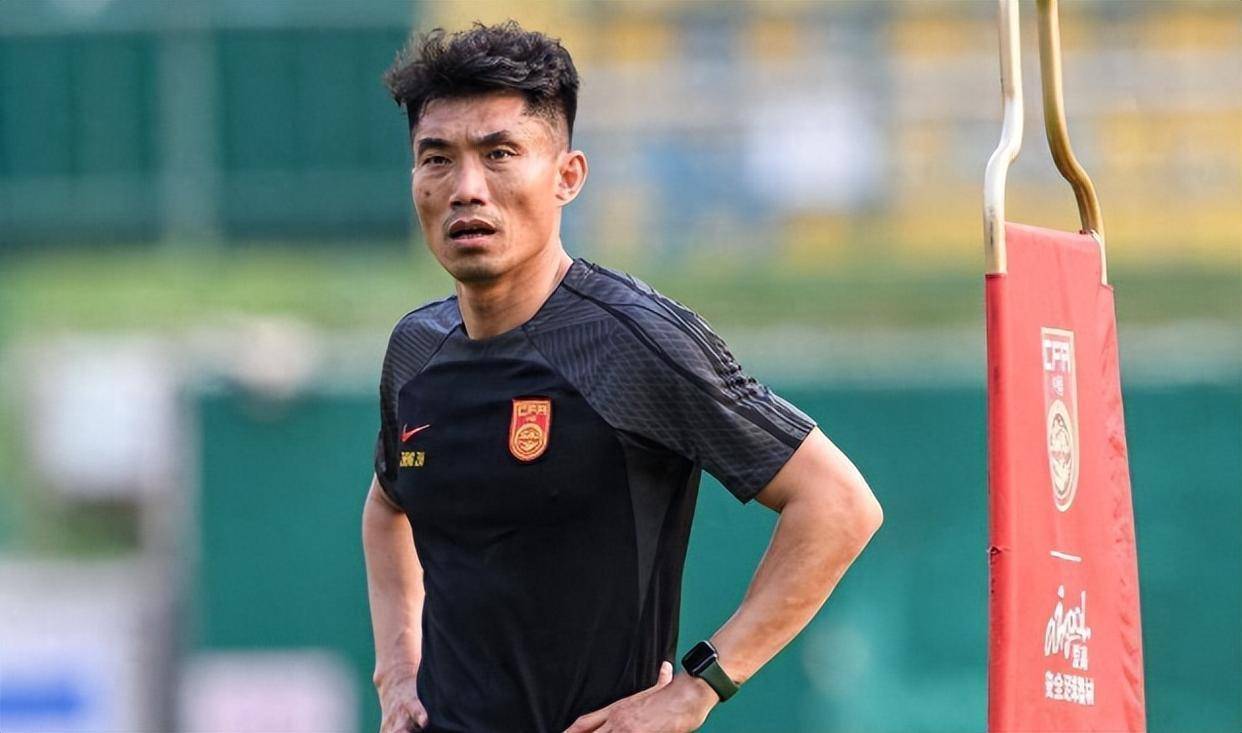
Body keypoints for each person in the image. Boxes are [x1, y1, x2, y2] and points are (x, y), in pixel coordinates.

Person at [361, 21, 883, 733]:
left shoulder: (634, 341)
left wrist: (698, 689)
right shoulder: (416, 350)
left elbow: (838, 504)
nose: (466, 189)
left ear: (567, 176)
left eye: (500, 154)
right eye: (437, 159)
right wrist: (397, 670)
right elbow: (387, 504)